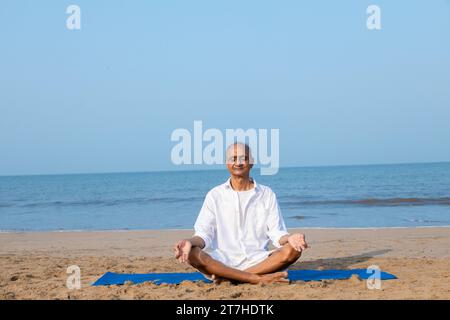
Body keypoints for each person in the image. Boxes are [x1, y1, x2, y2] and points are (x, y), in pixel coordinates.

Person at [174, 142, 308, 284]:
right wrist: (189, 242)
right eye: (233, 158)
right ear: (227, 163)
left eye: (243, 158)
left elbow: (276, 233)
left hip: (259, 261)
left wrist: (290, 238)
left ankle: (231, 277)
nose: (238, 163)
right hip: (221, 262)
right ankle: (256, 279)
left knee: (293, 250)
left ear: (251, 162)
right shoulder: (215, 195)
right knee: (193, 253)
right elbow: (203, 235)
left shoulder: (266, 194)